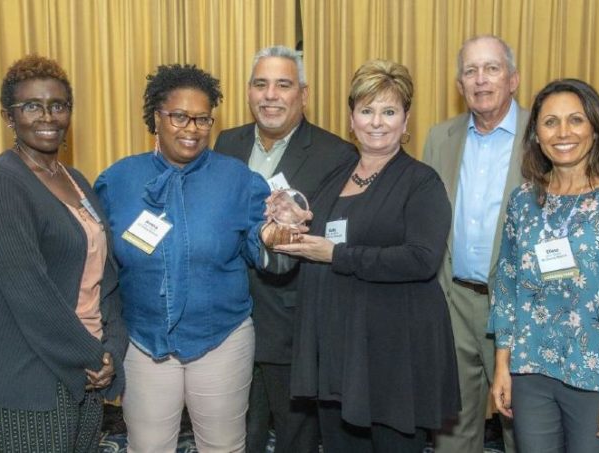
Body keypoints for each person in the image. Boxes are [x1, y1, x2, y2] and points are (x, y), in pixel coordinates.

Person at [273, 59, 459, 452]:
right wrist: (292, 218)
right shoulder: (335, 177)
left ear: (406, 121)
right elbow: (316, 240)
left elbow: (422, 259)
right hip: (340, 350)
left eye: (389, 112)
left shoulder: (421, 182)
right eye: (367, 110)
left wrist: (337, 255)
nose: (377, 122)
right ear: (351, 119)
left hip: (393, 354)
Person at [94, 64, 270, 453]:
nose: (192, 128)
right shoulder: (118, 181)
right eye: (179, 116)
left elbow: (261, 250)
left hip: (222, 338)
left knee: (223, 447)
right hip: (143, 341)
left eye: (202, 119)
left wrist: (275, 235)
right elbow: (100, 265)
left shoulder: (238, 180)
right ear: (156, 117)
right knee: (148, 447)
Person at [488, 78, 599, 452]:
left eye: (576, 120)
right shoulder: (523, 202)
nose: (563, 132)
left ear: (595, 129)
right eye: (550, 122)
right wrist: (502, 365)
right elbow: (507, 283)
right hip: (530, 372)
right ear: (536, 135)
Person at [0, 54, 128, 453]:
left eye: (58, 106)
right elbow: (30, 292)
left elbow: (105, 277)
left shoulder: (75, 180)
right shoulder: (4, 181)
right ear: (9, 116)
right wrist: (91, 355)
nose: (47, 117)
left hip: (86, 368)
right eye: (32, 106)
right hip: (29, 375)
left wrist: (112, 349)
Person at [215, 45, 357, 453]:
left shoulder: (336, 155)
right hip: (228, 319)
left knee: (296, 437)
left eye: (283, 85)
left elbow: (334, 239)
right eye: (261, 84)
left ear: (303, 94)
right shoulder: (226, 143)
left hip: (293, 323)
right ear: (248, 91)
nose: (270, 95)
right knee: (237, 434)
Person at [421, 34, 526, 452]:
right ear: (459, 84)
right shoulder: (439, 138)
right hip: (455, 302)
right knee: (453, 429)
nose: (481, 79)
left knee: (524, 428)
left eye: (492, 68)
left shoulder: (543, 135)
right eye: (470, 71)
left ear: (513, 79)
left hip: (520, 308)